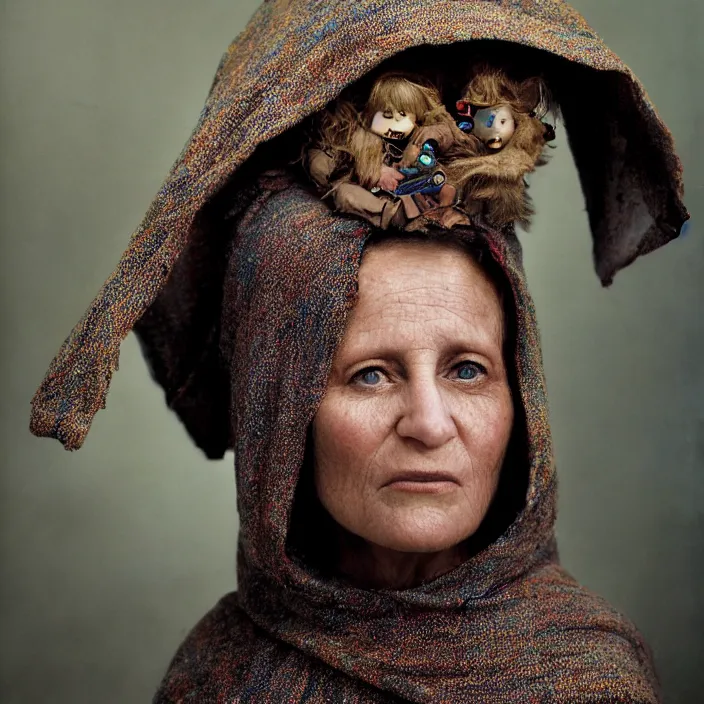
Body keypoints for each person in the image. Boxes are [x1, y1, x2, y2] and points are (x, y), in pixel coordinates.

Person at [29, 0, 688, 701]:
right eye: (371, 375)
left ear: (520, 392)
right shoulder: (218, 680)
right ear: (282, 410)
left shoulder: (587, 684)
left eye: (468, 369)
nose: (430, 425)